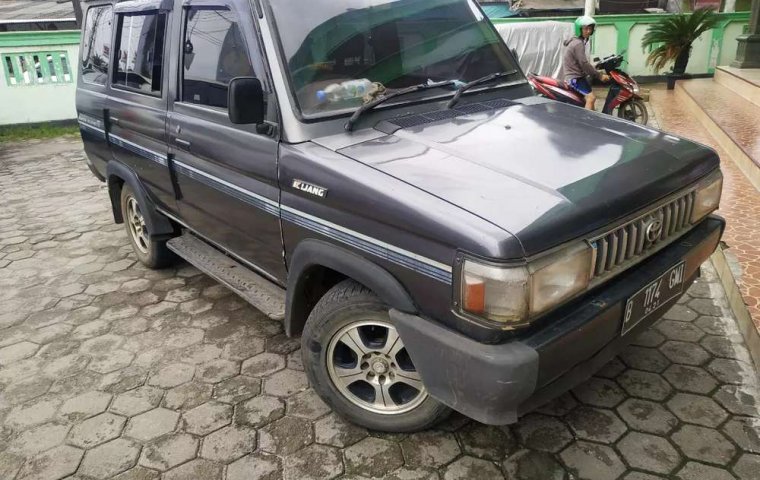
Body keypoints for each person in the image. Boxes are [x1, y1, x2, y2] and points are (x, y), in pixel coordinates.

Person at [562, 16, 610, 110]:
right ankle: (586, 123)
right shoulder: (578, 43)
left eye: (590, 29)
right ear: (579, 29)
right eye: (585, 29)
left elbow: (582, 63)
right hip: (574, 78)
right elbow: (584, 64)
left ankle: (592, 120)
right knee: (591, 98)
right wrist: (599, 75)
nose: (588, 31)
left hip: (579, 77)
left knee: (590, 100)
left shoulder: (577, 41)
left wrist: (595, 70)